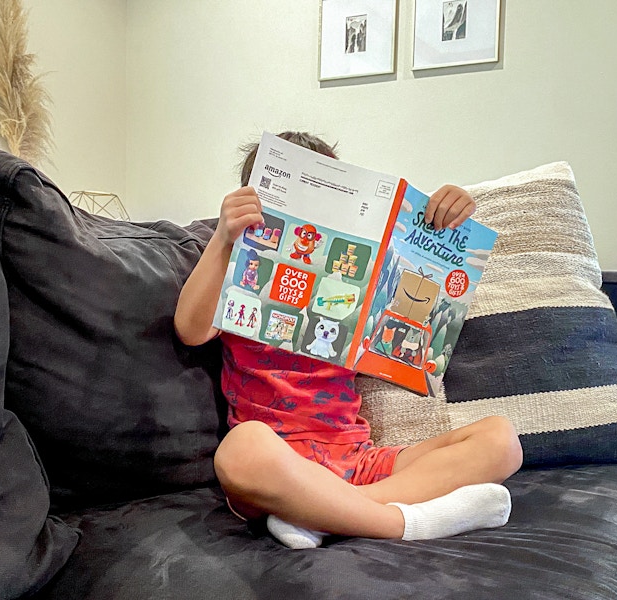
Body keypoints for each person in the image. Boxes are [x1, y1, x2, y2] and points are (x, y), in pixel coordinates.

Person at [174, 131, 523, 549]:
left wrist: (444, 228)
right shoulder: (239, 274)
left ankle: (328, 514)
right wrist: (223, 239)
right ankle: (406, 522)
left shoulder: (362, 276)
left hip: (355, 458)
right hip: (280, 464)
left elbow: (416, 321)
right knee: (240, 450)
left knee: (502, 442)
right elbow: (190, 330)